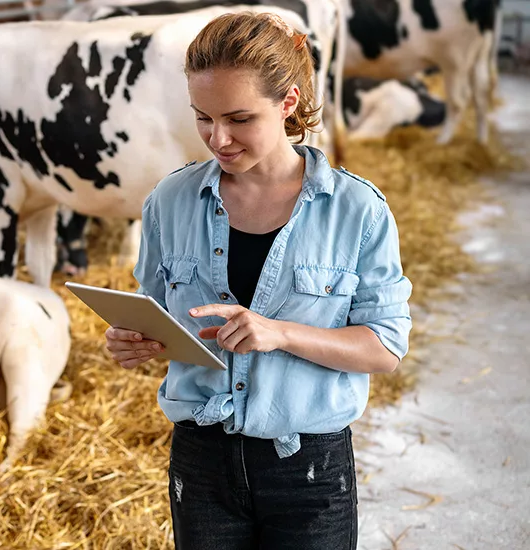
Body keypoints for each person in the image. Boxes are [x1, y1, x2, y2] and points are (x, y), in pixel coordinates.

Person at [103, 11, 413, 550]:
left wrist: (280, 332)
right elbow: (154, 310)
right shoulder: (168, 202)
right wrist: (133, 339)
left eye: (239, 118)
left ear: (288, 103)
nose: (217, 138)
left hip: (309, 468)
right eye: (203, 117)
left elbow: (384, 348)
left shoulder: (357, 210)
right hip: (201, 460)